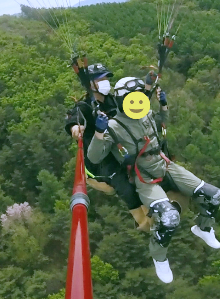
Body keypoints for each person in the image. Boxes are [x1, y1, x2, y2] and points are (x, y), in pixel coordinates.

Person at [87, 76, 220, 283]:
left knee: (214, 196)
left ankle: (203, 227)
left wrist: (164, 106)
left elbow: (161, 127)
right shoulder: (114, 127)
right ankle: (159, 257)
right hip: (143, 176)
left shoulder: (147, 116)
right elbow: (94, 157)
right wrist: (99, 132)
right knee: (169, 218)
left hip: (164, 165)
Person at [64, 64, 153, 231]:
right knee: (124, 184)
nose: (106, 82)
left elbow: (133, 108)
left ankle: (155, 210)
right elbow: (75, 119)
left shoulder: (113, 100)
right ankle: (142, 222)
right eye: (101, 79)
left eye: (106, 79)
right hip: (100, 161)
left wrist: (147, 88)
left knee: (147, 166)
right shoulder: (85, 106)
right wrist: (75, 128)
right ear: (91, 84)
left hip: (118, 149)